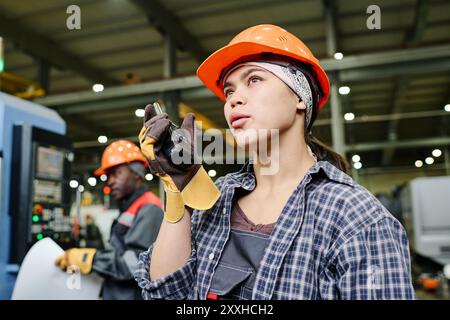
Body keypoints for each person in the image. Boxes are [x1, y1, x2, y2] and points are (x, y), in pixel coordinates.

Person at [135, 25, 415, 299]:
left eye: (254, 80)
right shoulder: (218, 199)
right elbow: (165, 293)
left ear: (299, 97)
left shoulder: (356, 217)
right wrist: (178, 190)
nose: (234, 100)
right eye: (229, 91)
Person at [55, 140, 164, 300]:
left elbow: (135, 264)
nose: (110, 181)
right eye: (108, 176)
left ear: (136, 173)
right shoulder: (130, 207)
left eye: (116, 173)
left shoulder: (149, 209)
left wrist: (91, 259)